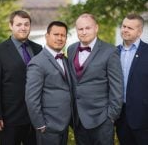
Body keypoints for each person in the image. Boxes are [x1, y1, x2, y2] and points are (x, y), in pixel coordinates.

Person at [67, 13, 123, 145]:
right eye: (80, 29)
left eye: (88, 28)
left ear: (96, 28)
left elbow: (117, 86)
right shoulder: (71, 49)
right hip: (78, 119)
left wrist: (111, 116)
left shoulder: (110, 51)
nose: (84, 32)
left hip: (102, 119)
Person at [0, 10, 42, 145]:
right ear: (11, 26)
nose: (23, 28)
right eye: (19, 24)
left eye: (26, 24)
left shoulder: (38, 49)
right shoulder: (0, 51)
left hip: (35, 119)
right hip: (9, 118)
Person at [25, 21, 72, 145]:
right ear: (47, 36)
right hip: (48, 125)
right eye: (56, 34)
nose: (60, 38)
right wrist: (40, 124)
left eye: (63, 35)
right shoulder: (38, 62)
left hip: (64, 123)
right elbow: (31, 97)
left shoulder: (65, 60)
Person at [115, 14, 148, 145]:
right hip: (121, 118)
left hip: (144, 119)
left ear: (139, 32)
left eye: (130, 28)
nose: (125, 30)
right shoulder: (113, 52)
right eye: (124, 26)